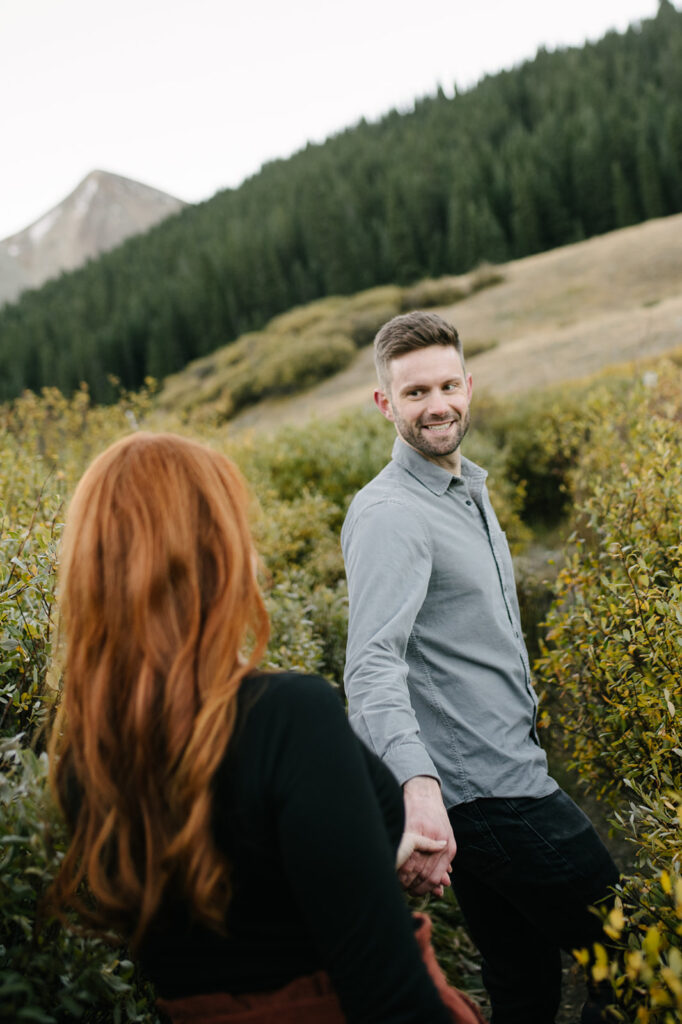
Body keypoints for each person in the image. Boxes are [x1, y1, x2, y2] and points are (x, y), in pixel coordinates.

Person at [46, 431, 486, 1024]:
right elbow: (391, 998)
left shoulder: (87, 761)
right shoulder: (287, 716)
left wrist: (371, 840)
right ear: (211, 556)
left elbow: (250, 892)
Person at [341, 312, 620, 1024]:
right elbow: (371, 668)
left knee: (523, 987)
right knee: (636, 956)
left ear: (469, 385)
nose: (436, 405)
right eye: (413, 393)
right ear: (385, 403)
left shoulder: (466, 488)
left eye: (446, 385)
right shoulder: (390, 515)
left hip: (501, 781)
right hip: (493, 795)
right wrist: (420, 786)